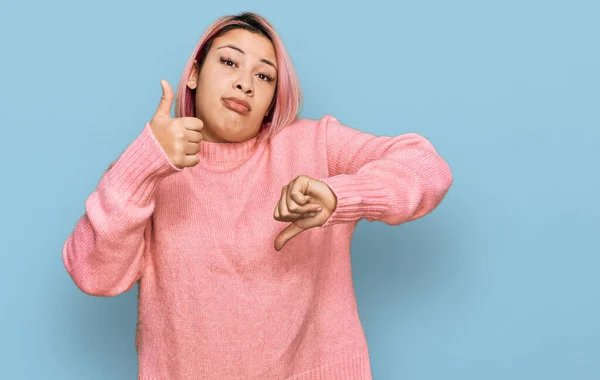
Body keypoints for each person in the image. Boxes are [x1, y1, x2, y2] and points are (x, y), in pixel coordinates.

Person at [62, 11, 453, 380]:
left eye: (264, 77)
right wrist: (143, 161)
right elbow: (93, 274)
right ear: (194, 73)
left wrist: (342, 195)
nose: (245, 83)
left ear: (271, 99)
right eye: (230, 63)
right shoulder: (149, 172)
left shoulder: (314, 145)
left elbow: (426, 166)